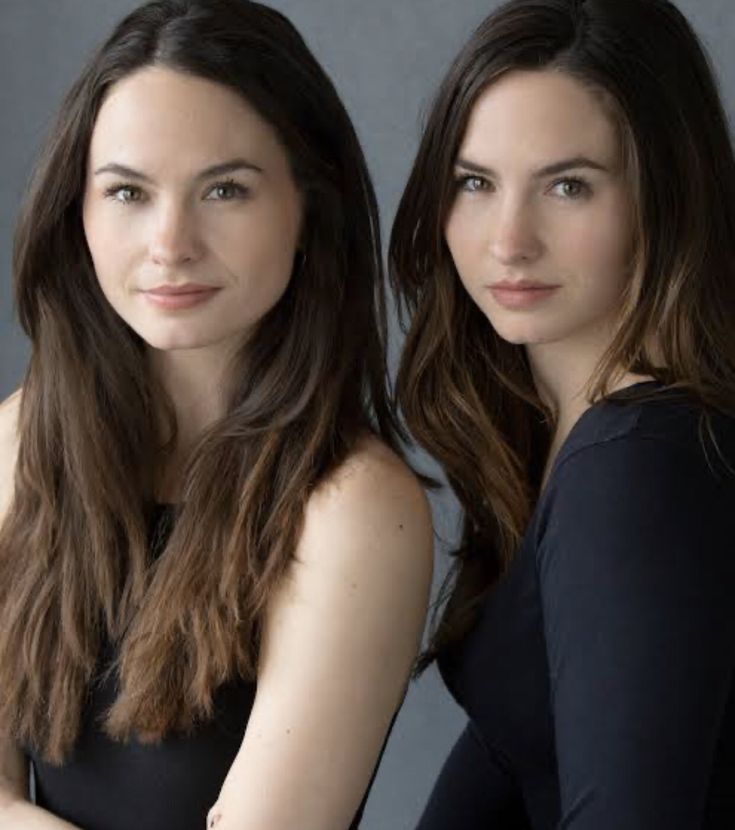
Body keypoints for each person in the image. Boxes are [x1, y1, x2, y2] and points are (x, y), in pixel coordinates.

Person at [0, 1, 433, 828]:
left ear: (310, 209)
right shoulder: (20, 440)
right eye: (127, 191)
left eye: (224, 189)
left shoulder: (350, 510)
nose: (170, 243)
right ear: (77, 211)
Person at [389, 0, 735, 827]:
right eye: (474, 183)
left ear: (663, 195)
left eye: (568, 186)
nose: (508, 240)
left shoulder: (637, 461)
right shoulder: (579, 442)